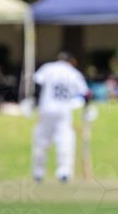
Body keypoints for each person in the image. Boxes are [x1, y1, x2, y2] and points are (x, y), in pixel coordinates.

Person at [32, 52, 90, 183]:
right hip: (64, 111)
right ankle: (64, 172)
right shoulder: (73, 72)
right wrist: (86, 108)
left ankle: (38, 172)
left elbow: (36, 84)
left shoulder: (47, 68)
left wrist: (34, 102)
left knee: (41, 139)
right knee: (64, 140)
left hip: (46, 108)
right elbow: (86, 93)